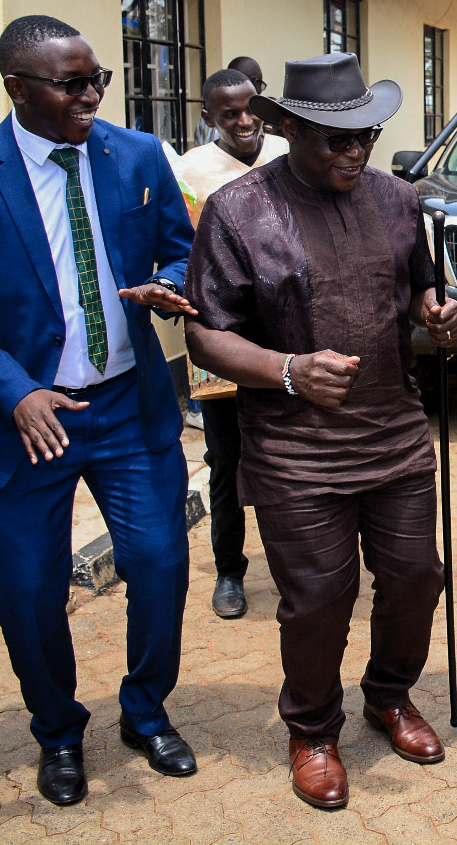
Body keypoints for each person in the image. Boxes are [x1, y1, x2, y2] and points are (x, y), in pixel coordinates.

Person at [184, 53, 457, 811]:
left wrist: (433, 313)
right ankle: (311, 729)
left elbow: (415, 288)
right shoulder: (238, 210)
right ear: (284, 127)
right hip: (294, 445)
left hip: (393, 430)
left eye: (364, 137)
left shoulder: (400, 200)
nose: (352, 152)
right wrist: (287, 369)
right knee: (318, 597)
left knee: (415, 575)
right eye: (332, 139)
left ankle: (389, 695)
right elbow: (206, 337)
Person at [0, 15, 199, 806]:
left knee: (158, 563)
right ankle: (57, 731)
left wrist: (170, 281)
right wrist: (14, 390)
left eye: (97, 80)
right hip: (22, 422)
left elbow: (181, 245)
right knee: (25, 591)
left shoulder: (138, 155)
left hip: (127, 406)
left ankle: (145, 712)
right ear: (17, 87)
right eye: (70, 82)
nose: (90, 95)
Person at [168, 67, 289, 620]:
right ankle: (229, 570)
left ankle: (296, 563)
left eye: (249, 109)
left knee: (292, 456)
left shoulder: (290, 153)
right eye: (228, 114)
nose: (243, 122)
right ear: (208, 116)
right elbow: (180, 248)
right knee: (225, 459)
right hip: (220, 336)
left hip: (290, 335)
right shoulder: (190, 171)